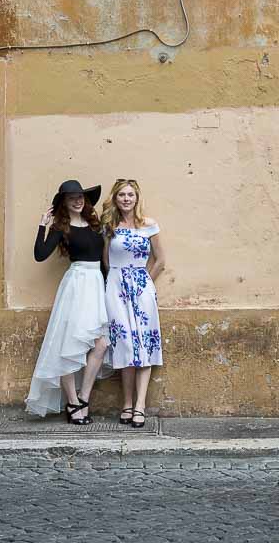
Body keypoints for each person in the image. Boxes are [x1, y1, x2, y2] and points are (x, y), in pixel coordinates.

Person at [25, 179, 109, 424]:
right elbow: (40, 255)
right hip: (76, 285)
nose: (78, 200)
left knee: (101, 344)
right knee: (69, 345)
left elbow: (104, 261)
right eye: (72, 197)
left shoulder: (95, 225)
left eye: (80, 196)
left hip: (96, 285)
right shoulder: (61, 227)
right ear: (64, 202)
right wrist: (43, 225)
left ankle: (83, 398)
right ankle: (72, 403)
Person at [102, 179, 165, 429]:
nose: (126, 199)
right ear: (115, 199)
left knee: (144, 342)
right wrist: (118, 282)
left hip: (142, 288)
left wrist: (143, 282)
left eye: (130, 195)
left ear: (137, 198)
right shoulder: (110, 226)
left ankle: (140, 406)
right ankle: (126, 404)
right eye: (121, 195)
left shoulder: (149, 225)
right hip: (116, 288)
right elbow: (106, 261)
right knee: (125, 343)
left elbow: (160, 261)